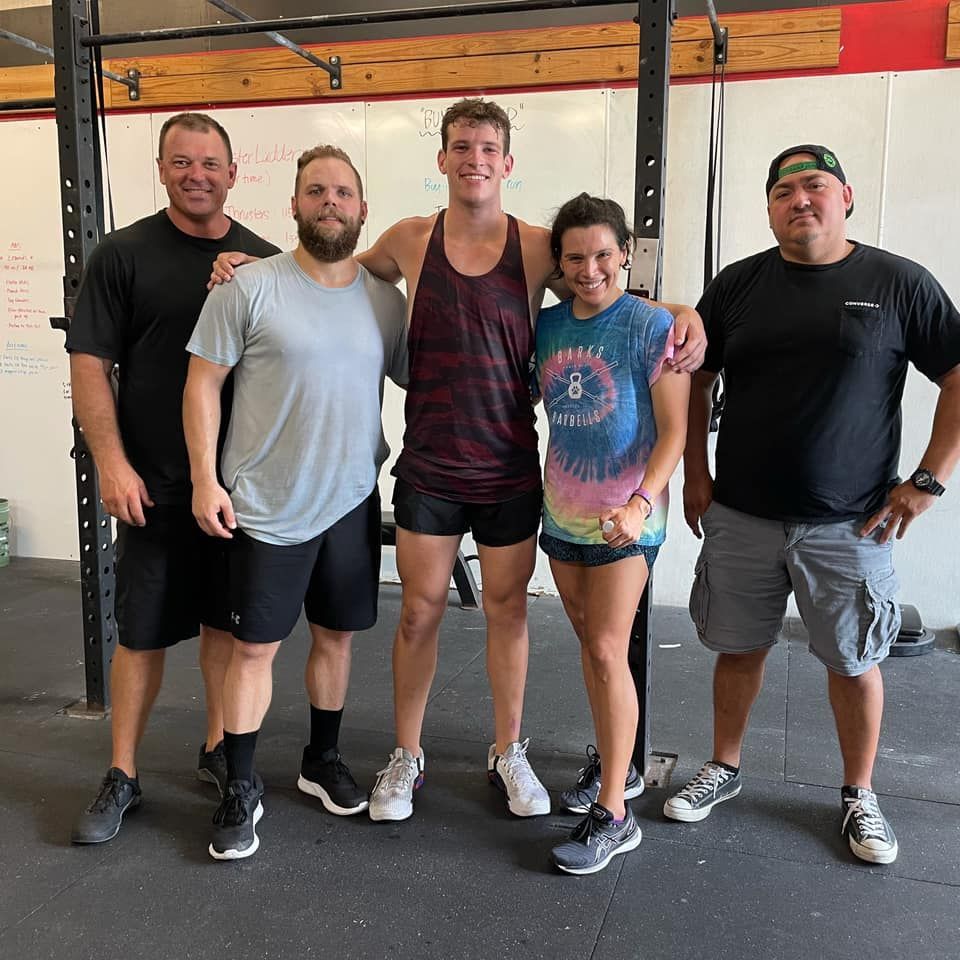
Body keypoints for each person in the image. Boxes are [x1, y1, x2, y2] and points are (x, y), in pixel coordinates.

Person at [212, 97, 707, 825]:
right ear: (442, 159)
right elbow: (329, 264)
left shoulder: (538, 246)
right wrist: (254, 264)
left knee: (507, 612)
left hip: (508, 467)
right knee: (418, 612)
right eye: (462, 146)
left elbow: (600, 289)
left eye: (488, 147)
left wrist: (678, 312)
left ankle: (509, 749)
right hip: (430, 468)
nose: (475, 158)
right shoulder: (410, 239)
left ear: (507, 163)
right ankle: (406, 755)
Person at [663, 145, 960, 865]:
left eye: (815, 186)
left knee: (855, 663)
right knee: (737, 651)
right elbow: (695, 379)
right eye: (784, 190)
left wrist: (927, 480)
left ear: (846, 196)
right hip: (741, 513)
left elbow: (956, 373)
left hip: (851, 522)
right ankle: (724, 768)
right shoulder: (737, 286)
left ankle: (860, 794)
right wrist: (695, 473)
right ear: (768, 209)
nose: (800, 199)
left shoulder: (898, 282)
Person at [184, 145, 407, 860]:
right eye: (316, 191)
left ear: (362, 209)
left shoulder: (384, 300)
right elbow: (201, 387)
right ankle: (241, 784)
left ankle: (322, 759)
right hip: (266, 504)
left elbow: (425, 376)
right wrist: (204, 480)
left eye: (343, 192)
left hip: (350, 498)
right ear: (294, 204)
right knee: (254, 648)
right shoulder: (246, 288)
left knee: (337, 638)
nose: (330, 202)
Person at [66, 113, 279, 845]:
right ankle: (122, 773)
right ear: (161, 169)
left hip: (237, 488)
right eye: (182, 162)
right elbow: (90, 363)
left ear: (232, 172)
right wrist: (111, 461)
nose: (197, 175)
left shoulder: (266, 260)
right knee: (143, 636)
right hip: (151, 483)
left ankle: (220, 750)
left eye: (210, 163)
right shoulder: (121, 256)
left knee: (226, 625)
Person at [534, 194, 689, 874]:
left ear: (626, 252)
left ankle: (616, 815)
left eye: (602, 254)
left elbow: (676, 431)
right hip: (562, 512)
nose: (590, 268)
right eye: (575, 256)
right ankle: (614, 760)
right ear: (559, 263)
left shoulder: (654, 326)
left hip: (629, 517)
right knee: (594, 651)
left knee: (603, 647)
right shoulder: (545, 326)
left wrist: (638, 501)